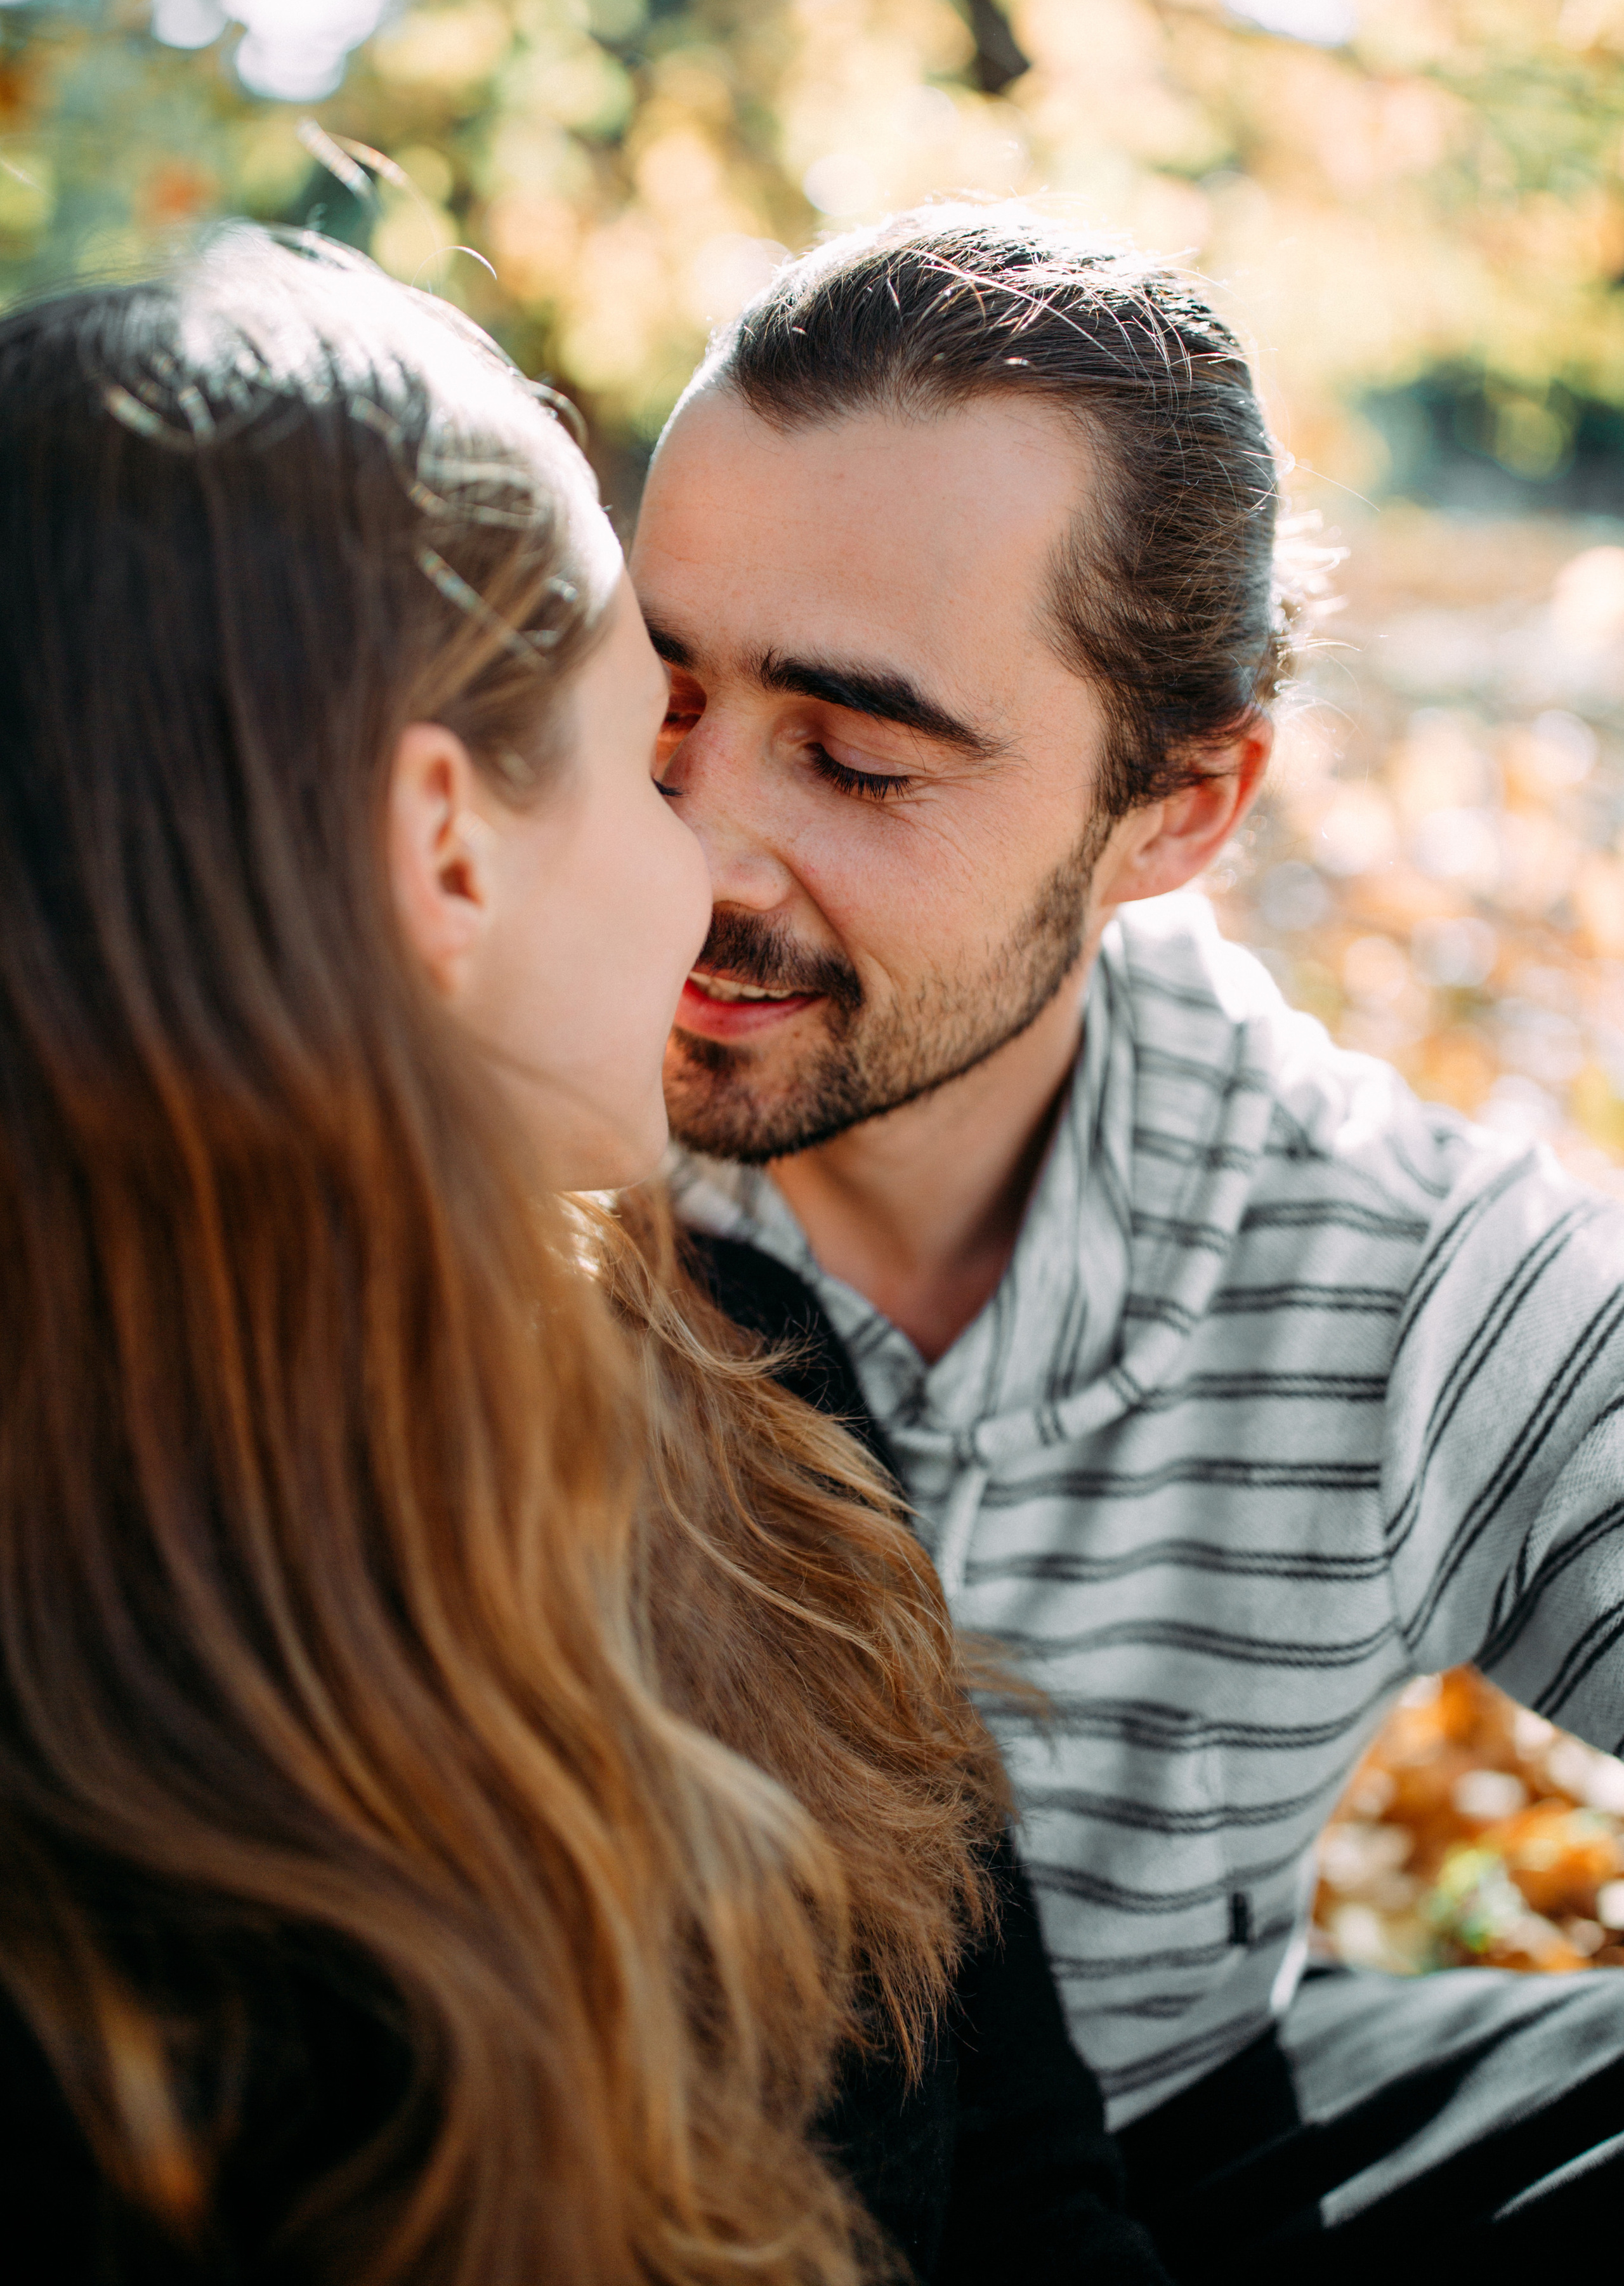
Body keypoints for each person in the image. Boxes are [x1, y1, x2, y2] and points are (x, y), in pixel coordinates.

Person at [0, 226, 1169, 2286]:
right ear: (444, 851)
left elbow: (1037, 2199)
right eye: (646, 749)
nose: (710, 873)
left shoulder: (756, 1393)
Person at [634, 201, 1624, 2284]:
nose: (691, 843)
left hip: (1179, 2144)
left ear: (1180, 810)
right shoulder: (463, 1146)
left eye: (859, 758)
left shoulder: (1405, 1284)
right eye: (655, 690)